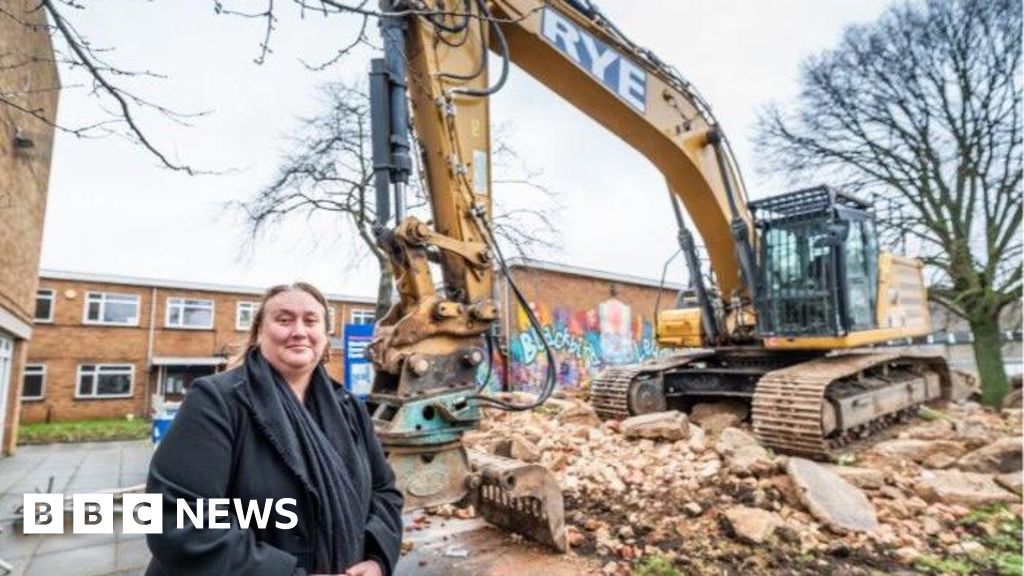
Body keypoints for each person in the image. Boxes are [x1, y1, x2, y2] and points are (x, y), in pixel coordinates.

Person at [146, 283, 403, 576]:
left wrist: (377, 559)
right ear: (258, 332)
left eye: (310, 320)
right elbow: (177, 516)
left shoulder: (350, 408)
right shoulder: (217, 401)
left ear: (324, 335)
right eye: (283, 320)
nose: (298, 331)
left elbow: (384, 492)